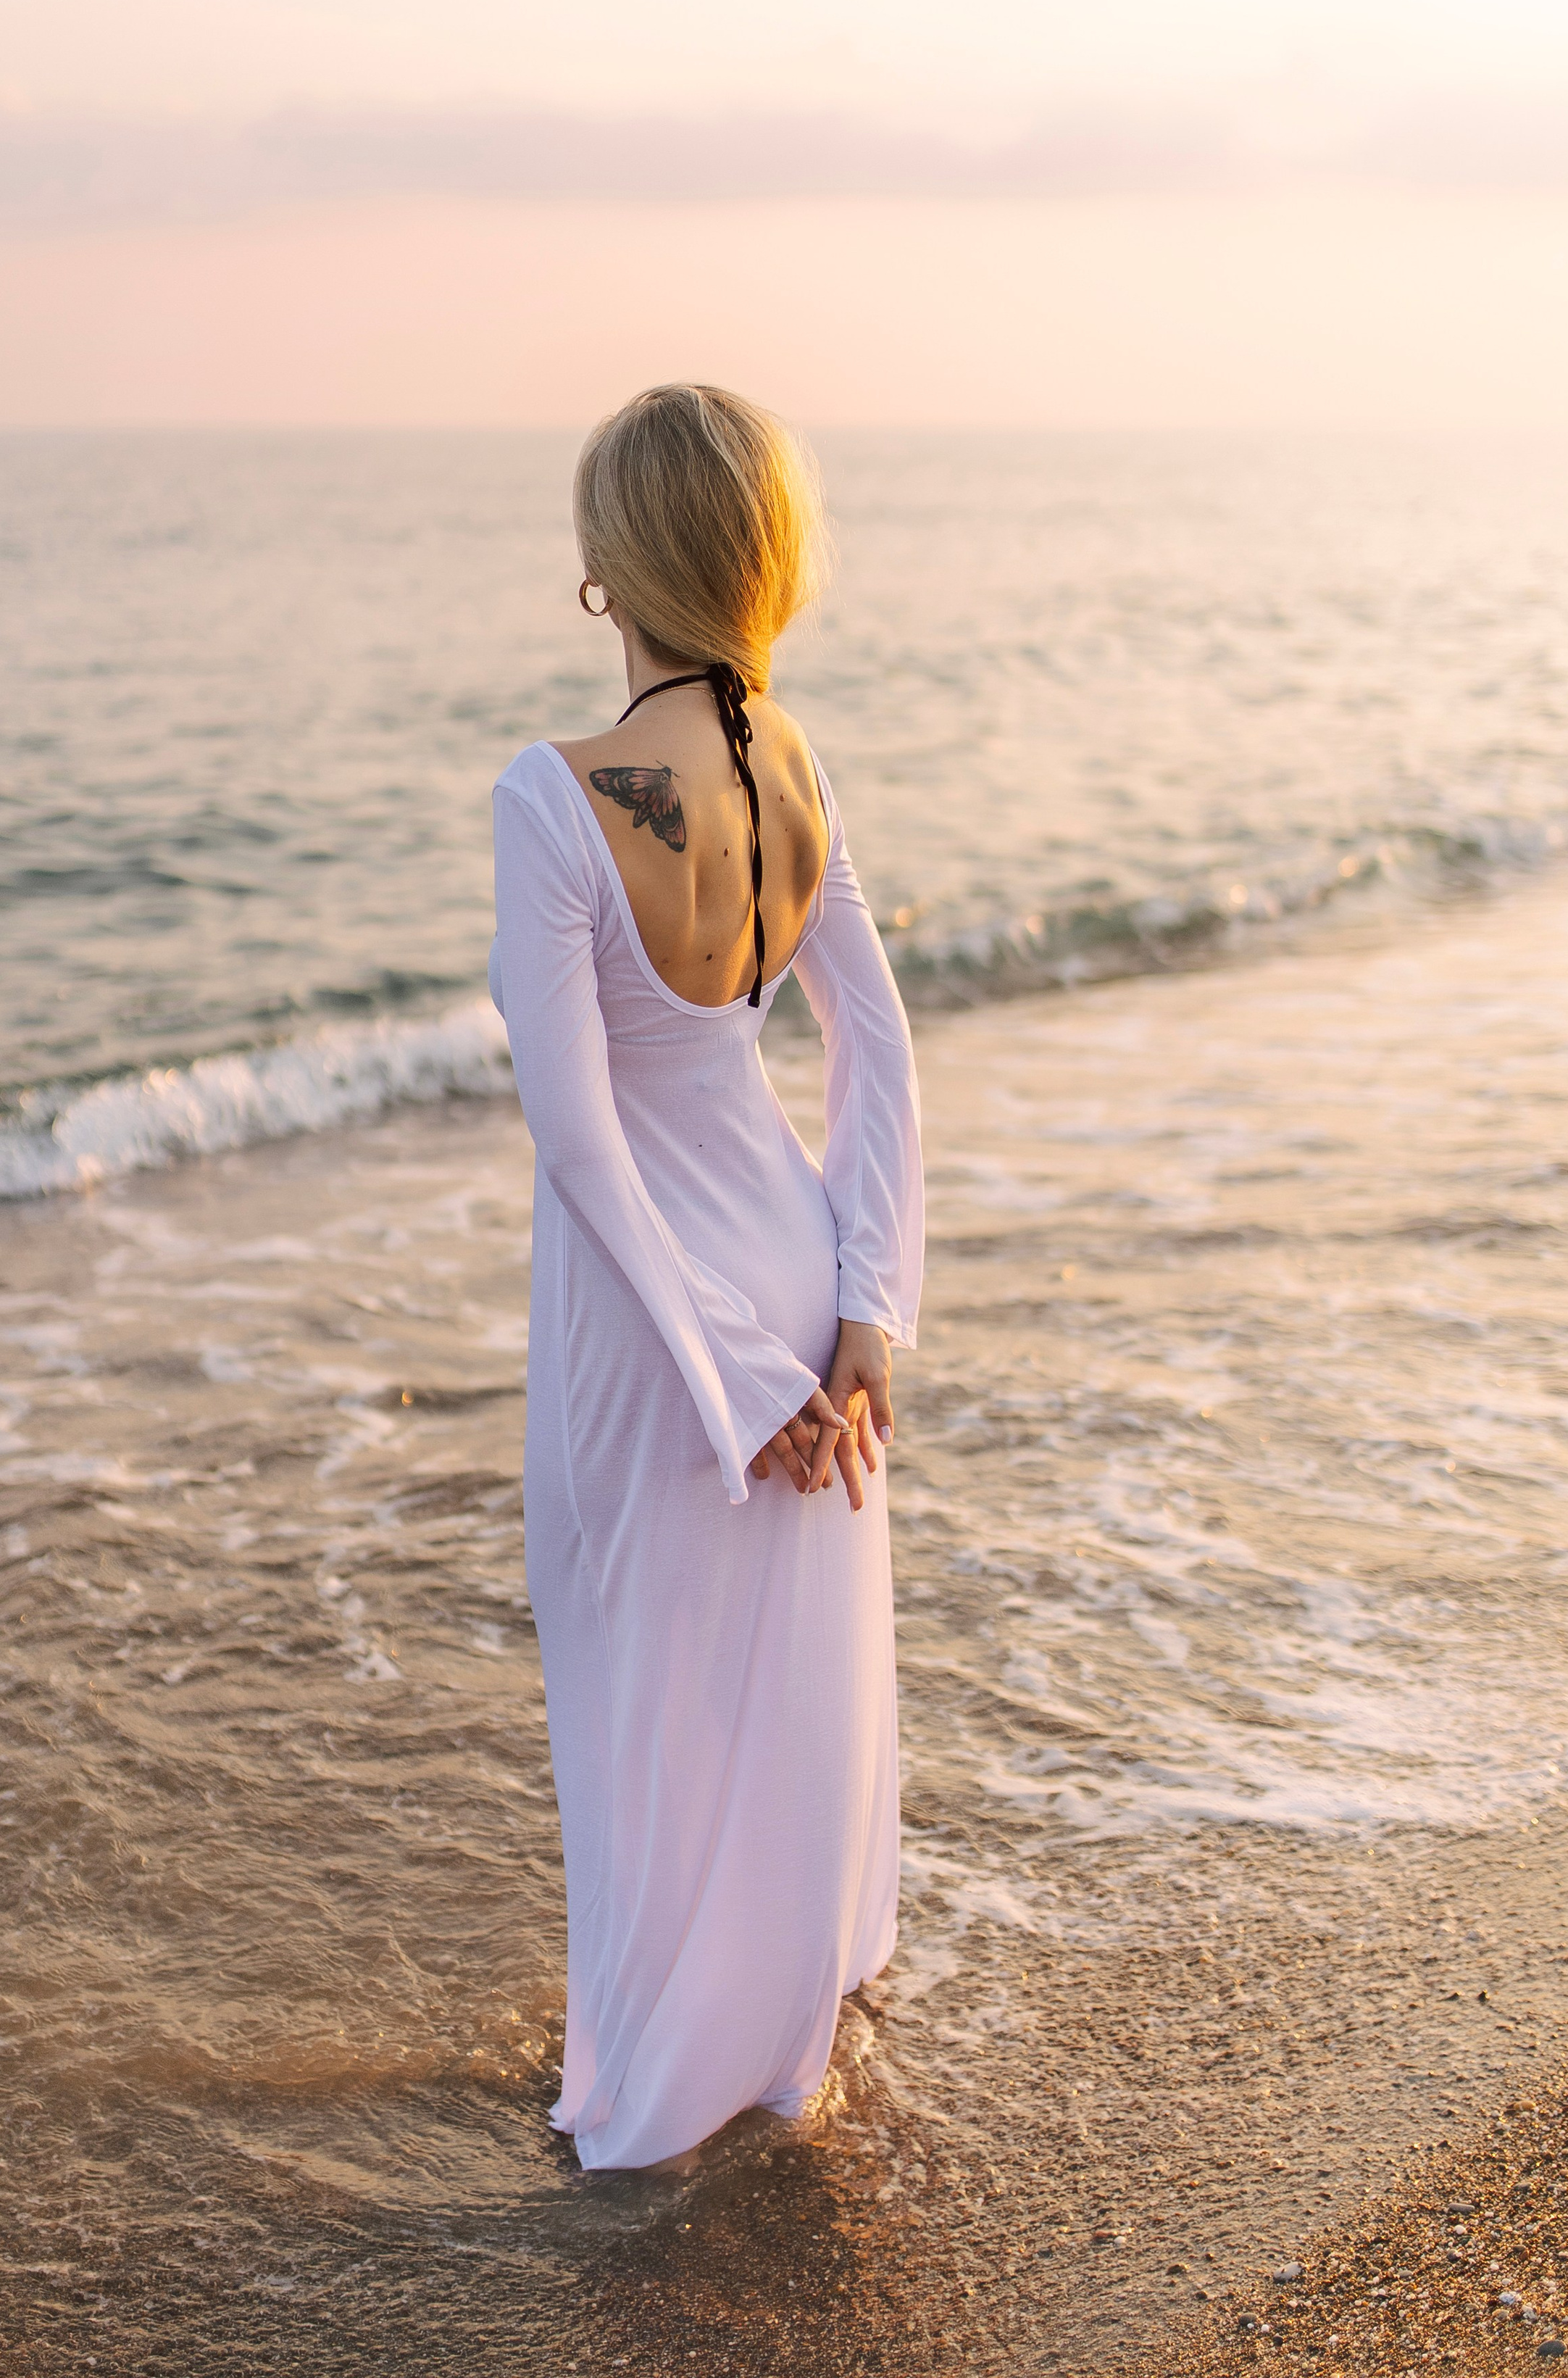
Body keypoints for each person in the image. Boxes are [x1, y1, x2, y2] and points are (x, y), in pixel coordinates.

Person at [487, 384, 924, 2171]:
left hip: (652, 1317)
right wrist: (860, 1319)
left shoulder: (555, 793)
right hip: (788, 1266)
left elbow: (580, 1144)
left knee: (639, 1701)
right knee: (773, 1704)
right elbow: (879, 1049)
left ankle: (641, 2114)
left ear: (613, 573)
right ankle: (766, 2069)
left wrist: (740, 1381)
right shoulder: (791, 770)